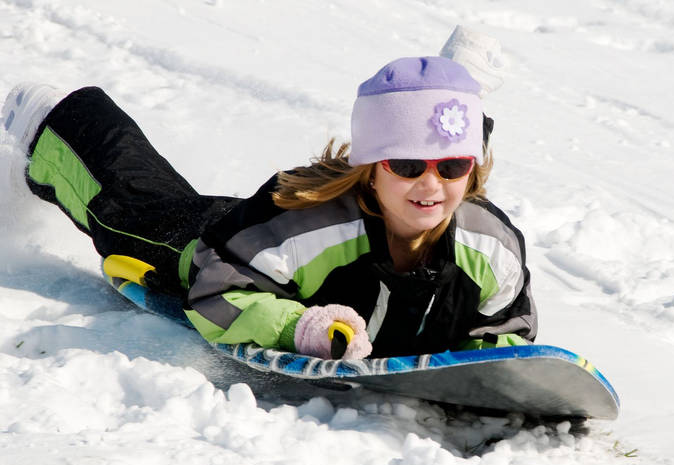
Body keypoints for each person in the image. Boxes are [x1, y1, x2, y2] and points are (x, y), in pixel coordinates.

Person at [0, 37, 535, 361]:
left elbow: (507, 324)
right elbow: (217, 292)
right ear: (371, 169)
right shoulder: (309, 232)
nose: (431, 184)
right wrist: (297, 328)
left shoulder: (491, 246)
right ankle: (50, 116)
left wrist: (499, 370)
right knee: (130, 209)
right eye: (408, 165)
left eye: (452, 166)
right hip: (220, 249)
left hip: (277, 243)